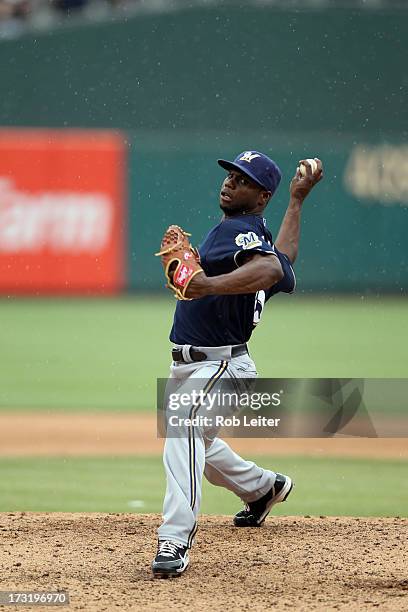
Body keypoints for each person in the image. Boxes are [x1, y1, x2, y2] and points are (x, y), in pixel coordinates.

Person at [152, 151, 323, 578]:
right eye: (230, 174)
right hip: (199, 366)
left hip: (222, 365)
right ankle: (266, 488)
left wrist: (207, 285)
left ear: (261, 195)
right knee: (199, 448)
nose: (229, 182)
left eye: (242, 179)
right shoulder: (254, 230)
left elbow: (268, 268)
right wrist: (298, 201)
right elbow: (283, 261)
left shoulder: (239, 230)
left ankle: (175, 537)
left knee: (184, 425)